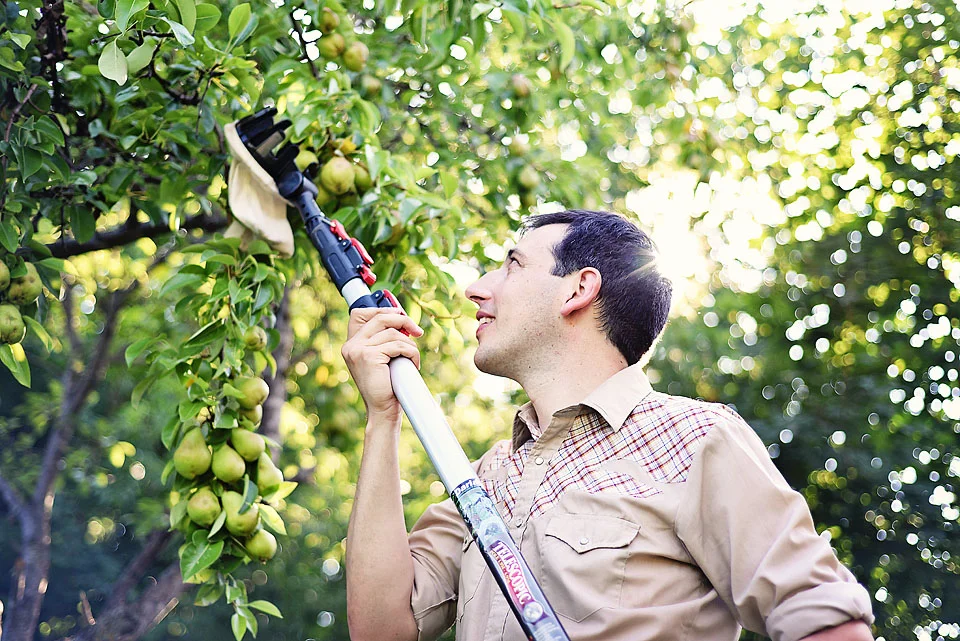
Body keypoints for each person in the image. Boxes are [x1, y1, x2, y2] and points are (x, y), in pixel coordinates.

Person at [341, 209, 875, 641]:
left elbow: (827, 623)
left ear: (578, 289)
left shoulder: (695, 439)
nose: (477, 289)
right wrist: (383, 418)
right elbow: (383, 629)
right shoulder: (483, 479)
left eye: (512, 266)